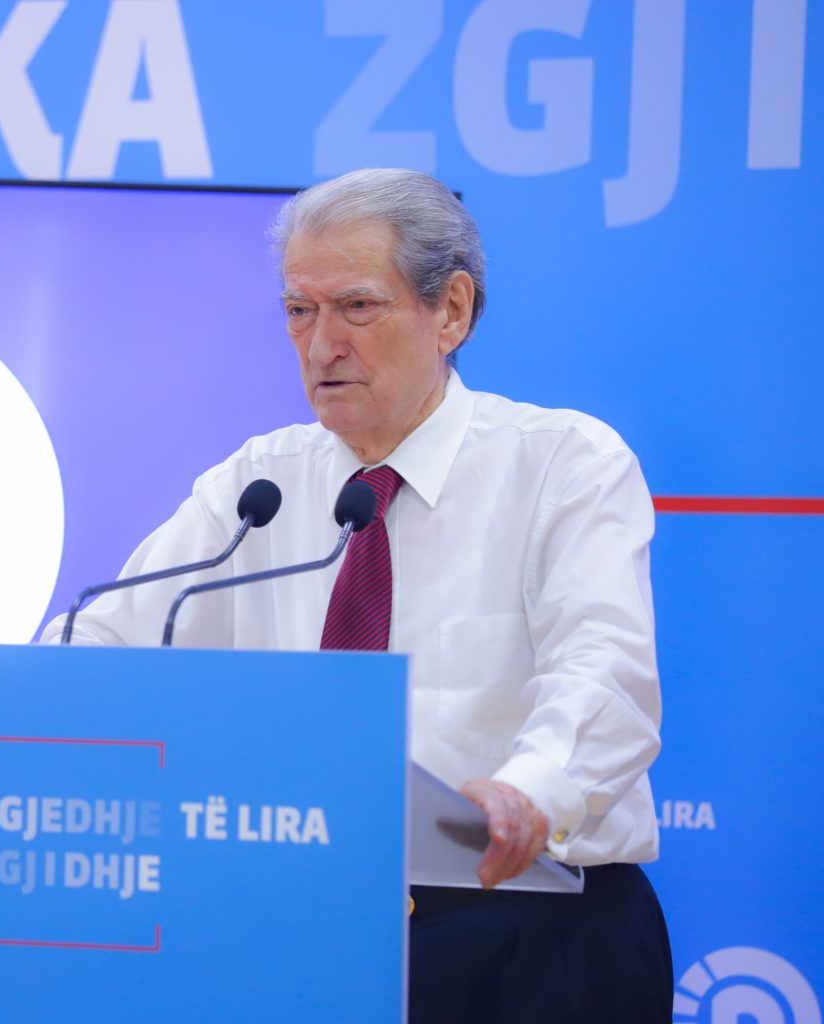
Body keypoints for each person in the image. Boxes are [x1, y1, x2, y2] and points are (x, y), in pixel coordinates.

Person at [43, 168, 672, 1022]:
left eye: (358, 307)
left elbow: (606, 673)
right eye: (299, 310)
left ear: (451, 311)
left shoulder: (562, 464)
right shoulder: (259, 486)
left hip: (533, 931)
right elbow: (103, 642)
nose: (320, 345)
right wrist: (17, 710)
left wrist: (529, 793)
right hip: (312, 931)